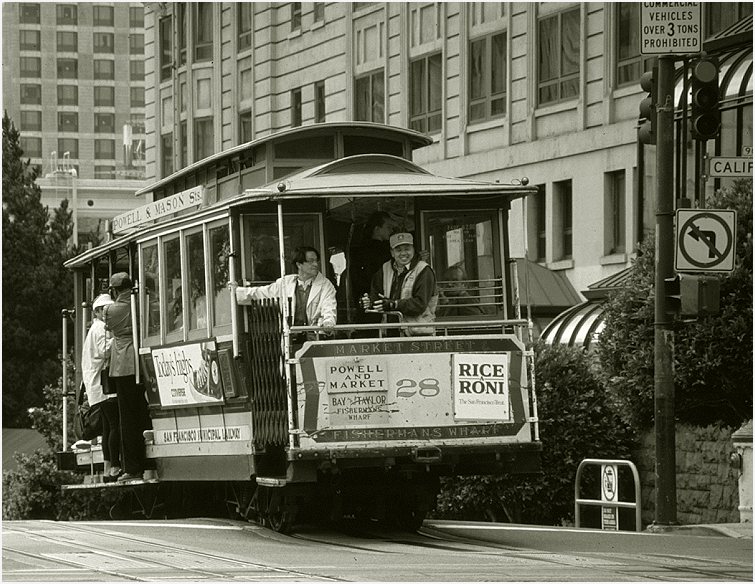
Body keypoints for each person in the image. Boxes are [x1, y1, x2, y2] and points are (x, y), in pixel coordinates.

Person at [234, 246, 337, 344]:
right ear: (299, 264)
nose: (315, 264)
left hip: (315, 339)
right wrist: (237, 291)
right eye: (311, 261)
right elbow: (262, 293)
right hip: (291, 340)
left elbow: (329, 306)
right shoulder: (286, 283)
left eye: (316, 260)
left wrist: (328, 322)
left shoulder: (325, 285)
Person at [103, 272, 149, 482]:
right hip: (142, 359)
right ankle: (149, 461)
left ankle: (132, 466)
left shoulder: (110, 310)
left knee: (127, 419)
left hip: (123, 364)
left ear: (114, 290)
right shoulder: (142, 303)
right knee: (144, 413)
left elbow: (110, 328)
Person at [360, 232, 438, 336]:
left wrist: (393, 304)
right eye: (398, 250)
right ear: (392, 253)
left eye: (407, 249)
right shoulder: (385, 268)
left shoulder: (424, 270)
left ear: (413, 249)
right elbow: (377, 296)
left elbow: (420, 304)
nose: (403, 253)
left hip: (418, 334)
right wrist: (369, 302)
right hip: (390, 332)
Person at [82, 293, 121, 481]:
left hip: (97, 386)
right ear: (97, 311)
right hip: (102, 385)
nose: (107, 312)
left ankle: (107, 468)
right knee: (115, 425)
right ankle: (114, 465)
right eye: (104, 309)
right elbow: (105, 351)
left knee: (107, 427)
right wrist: (120, 338)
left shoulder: (95, 328)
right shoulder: (100, 329)